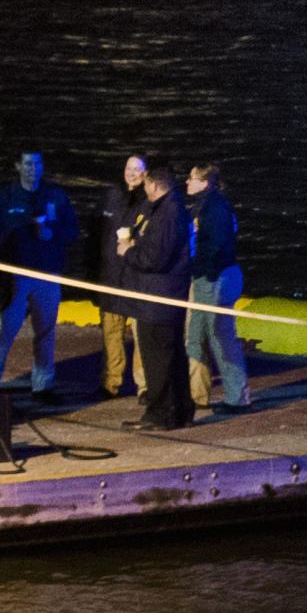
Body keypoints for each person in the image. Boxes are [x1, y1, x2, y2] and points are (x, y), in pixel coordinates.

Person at [0, 151, 80, 400]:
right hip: (14, 276)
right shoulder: (4, 197)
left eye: (37, 163)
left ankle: (43, 385)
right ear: (18, 166)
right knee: (3, 329)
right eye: (27, 163)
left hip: (47, 274)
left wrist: (54, 234)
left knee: (46, 331)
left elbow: (72, 230)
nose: (32, 169)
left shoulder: (55, 195)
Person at [118, 155, 193, 431]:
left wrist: (129, 251)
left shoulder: (166, 213)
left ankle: (160, 413)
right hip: (167, 296)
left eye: (147, 186)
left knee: (158, 359)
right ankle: (180, 410)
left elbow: (155, 258)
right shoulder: (173, 209)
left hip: (158, 298)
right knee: (172, 356)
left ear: (154, 186)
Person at [183, 163, 249, 412]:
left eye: (192, 178)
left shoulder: (215, 207)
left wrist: (203, 270)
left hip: (216, 278)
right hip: (206, 277)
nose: (187, 182)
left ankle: (237, 397)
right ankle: (198, 394)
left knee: (221, 338)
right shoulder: (202, 206)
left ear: (205, 182)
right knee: (195, 338)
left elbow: (216, 245)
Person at [94, 154, 150, 398]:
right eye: (129, 168)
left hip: (136, 278)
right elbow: (95, 235)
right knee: (111, 333)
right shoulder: (111, 196)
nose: (132, 173)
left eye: (138, 168)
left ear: (146, 173)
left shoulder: (150, 200)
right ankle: (110, 382)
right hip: (111, 276)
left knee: (141, 335)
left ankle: (144, 385)